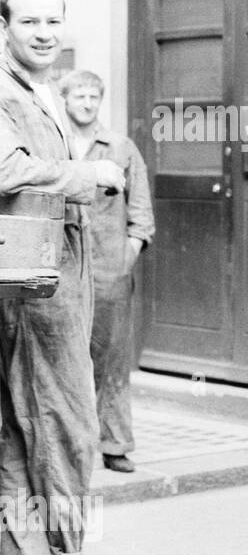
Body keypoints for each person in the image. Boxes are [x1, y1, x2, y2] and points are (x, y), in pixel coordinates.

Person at [0, 0, 126, 555]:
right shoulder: (4, 87)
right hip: (29, 287)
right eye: (30, 21)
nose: (44, 32)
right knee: (64, 423)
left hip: (45, 276)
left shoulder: (37, 88)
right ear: (6, 26)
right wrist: (89, 175)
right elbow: (6, 169)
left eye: (54, 20)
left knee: (24, 432)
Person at [60, 70, 155, 475]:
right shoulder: (55, 146)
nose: (86, 102)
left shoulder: (120, 148)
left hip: (109, 275)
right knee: (62, 359)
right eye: (78, 95)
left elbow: (142, 214)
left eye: (93, 96)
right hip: (62, 274)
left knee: (112, 362)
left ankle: (115, 444)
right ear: (64, 100)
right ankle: (70, 447)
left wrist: (125, 257)